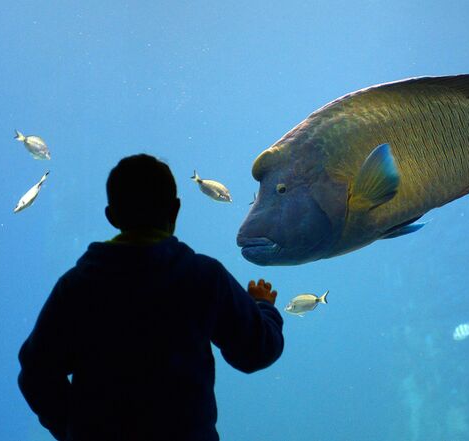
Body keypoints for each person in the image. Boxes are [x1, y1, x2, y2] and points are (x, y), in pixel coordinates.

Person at [17, 154, 284, 441]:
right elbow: (256, 351)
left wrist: (74, 428)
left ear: (111, 216)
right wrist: (263, 307)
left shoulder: (77, 287)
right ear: (176, 210)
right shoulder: (204, 277)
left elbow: (36, 373)